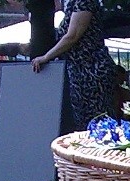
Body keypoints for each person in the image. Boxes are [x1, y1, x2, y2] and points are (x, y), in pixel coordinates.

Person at [31, 0, 116, 132]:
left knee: (97, 124)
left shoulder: (85, 2)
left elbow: (72, 35)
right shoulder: (74, 4)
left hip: (92, 72)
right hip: (80, 71)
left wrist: (46, 57)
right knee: (84, 124)